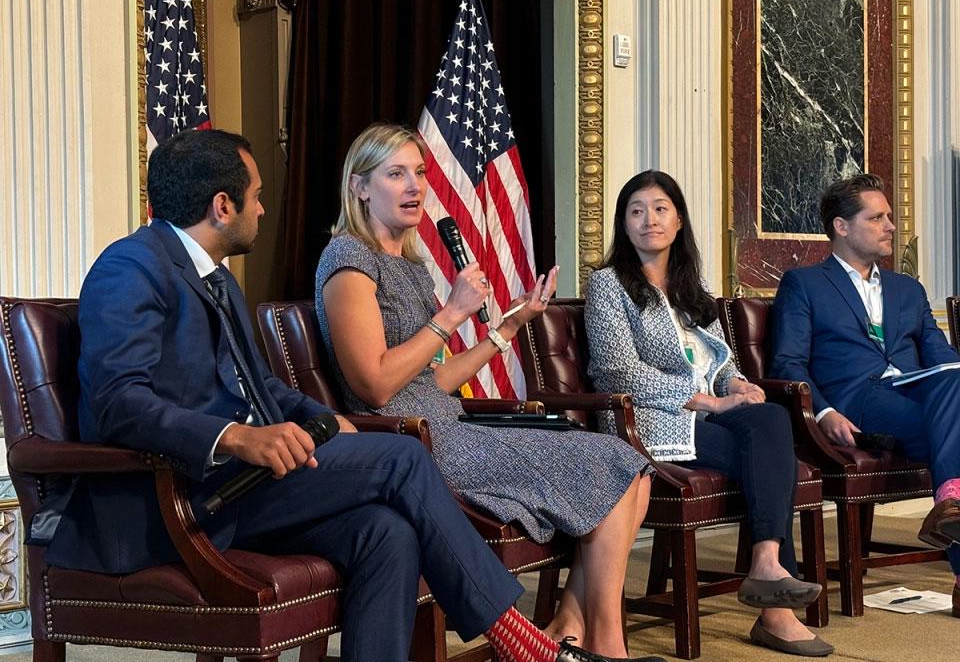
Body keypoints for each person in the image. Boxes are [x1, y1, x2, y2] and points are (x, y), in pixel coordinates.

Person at [47, 128, 657, 662]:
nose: (265, 208)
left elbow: (265, 389)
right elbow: (120, 402)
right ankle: (521, 644)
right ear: (222, 205)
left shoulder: (216, 280)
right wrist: (237, 436)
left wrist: (323, 418)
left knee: (384, 531)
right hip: (177, 498)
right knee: (401, 457)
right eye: (257, 196)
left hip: (241, 484)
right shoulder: (129, 268)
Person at [315, 123, 660, 660]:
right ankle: (609, 647)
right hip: (413, 445)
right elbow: (377, 386)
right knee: (613, 462)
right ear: (360, 187)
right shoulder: (347, 261)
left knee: (628, 465)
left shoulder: (407, 264)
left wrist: (509, 326)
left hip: (445, 420)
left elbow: (430, 380)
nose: (414, 186)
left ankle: (571, 626)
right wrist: (452, 314)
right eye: (396, 174)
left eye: (421, 173)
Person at [584, 170, 834, 657]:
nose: (648, 220)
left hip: (708, 419)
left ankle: (766, 563)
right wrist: (707, 400)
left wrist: (737, 384)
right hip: (652, 423)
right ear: (623, 224)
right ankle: (775, 608)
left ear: (678, 221)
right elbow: (616, 373)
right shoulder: (608, 285)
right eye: (636, 211)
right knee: (768, 454)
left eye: (660, 209)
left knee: (769, 420)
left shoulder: (691, 289)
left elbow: (719, 363)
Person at [770, 173, 960, 618]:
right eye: (877, 218)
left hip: (921, 400)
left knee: (954, 385)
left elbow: (943, 359)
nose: (891, 226)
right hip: (859, 404)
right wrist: (824, 411)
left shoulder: (907, 289)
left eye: (889, 217)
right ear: (842, 226)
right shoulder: (805, 284)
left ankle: (954, 516)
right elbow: (788, 365)